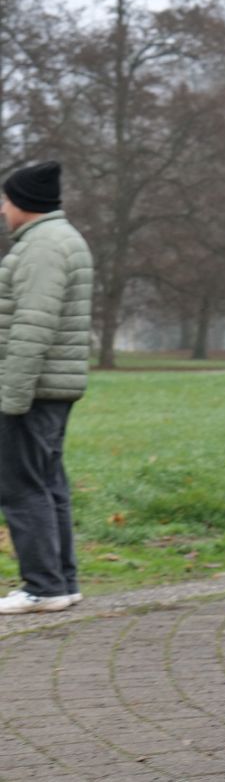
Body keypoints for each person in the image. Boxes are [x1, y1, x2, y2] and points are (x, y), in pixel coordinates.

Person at [0, 162, 93, 616]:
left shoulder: (42, 248)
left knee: (20, 486)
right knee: (48, 482)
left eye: (7, 199)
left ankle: (42, 586)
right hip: (51, 388)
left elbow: (32, 328)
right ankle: (61, 582)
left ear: (24, 204)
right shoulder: (58, 240)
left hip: (32, 390)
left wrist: (10, 397)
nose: (3, 208)